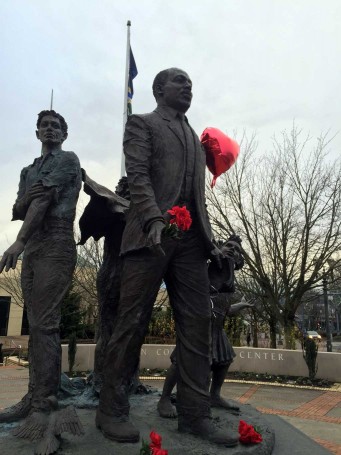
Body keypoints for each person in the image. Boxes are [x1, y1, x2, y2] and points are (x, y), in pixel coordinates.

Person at [96, 68, 239, 447]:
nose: (188, 87)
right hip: (149, 236)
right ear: (160, 89)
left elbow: (198, 196)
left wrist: (211, 243)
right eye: (180, 82)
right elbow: (138, 176)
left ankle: (194, 415)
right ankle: (111, 410)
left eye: (191, 82)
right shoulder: (142, 124)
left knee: (197, 325)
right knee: (132, 325)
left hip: (192, 244)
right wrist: (154, 217)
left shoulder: (194, 137)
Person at [0, 110, 82, 422]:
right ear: (37, 134)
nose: (50, 130)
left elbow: (42, 200)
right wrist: (24, 213)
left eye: (56, 126)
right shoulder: (27, 170)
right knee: (35, 326)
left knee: (45, 324)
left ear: (64, 133)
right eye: (44, 126)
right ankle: (33, 395)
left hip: (56, 242)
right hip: (33, 243)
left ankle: (43, 403)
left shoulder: (67, 159)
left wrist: (18, 241)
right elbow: (17, 208)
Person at [157, 235, 254, 417]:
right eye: (229, 246)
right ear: (219, 248)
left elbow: (224, 309)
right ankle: (164, 397)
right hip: (198, 325)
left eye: (237, 250)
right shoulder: (206, 269)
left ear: (239, 260)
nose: (233, 249)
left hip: (216, 329)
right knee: (181, 361)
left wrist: (239, 306)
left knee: (223, 361)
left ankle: (214, 395)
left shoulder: (228, 279)